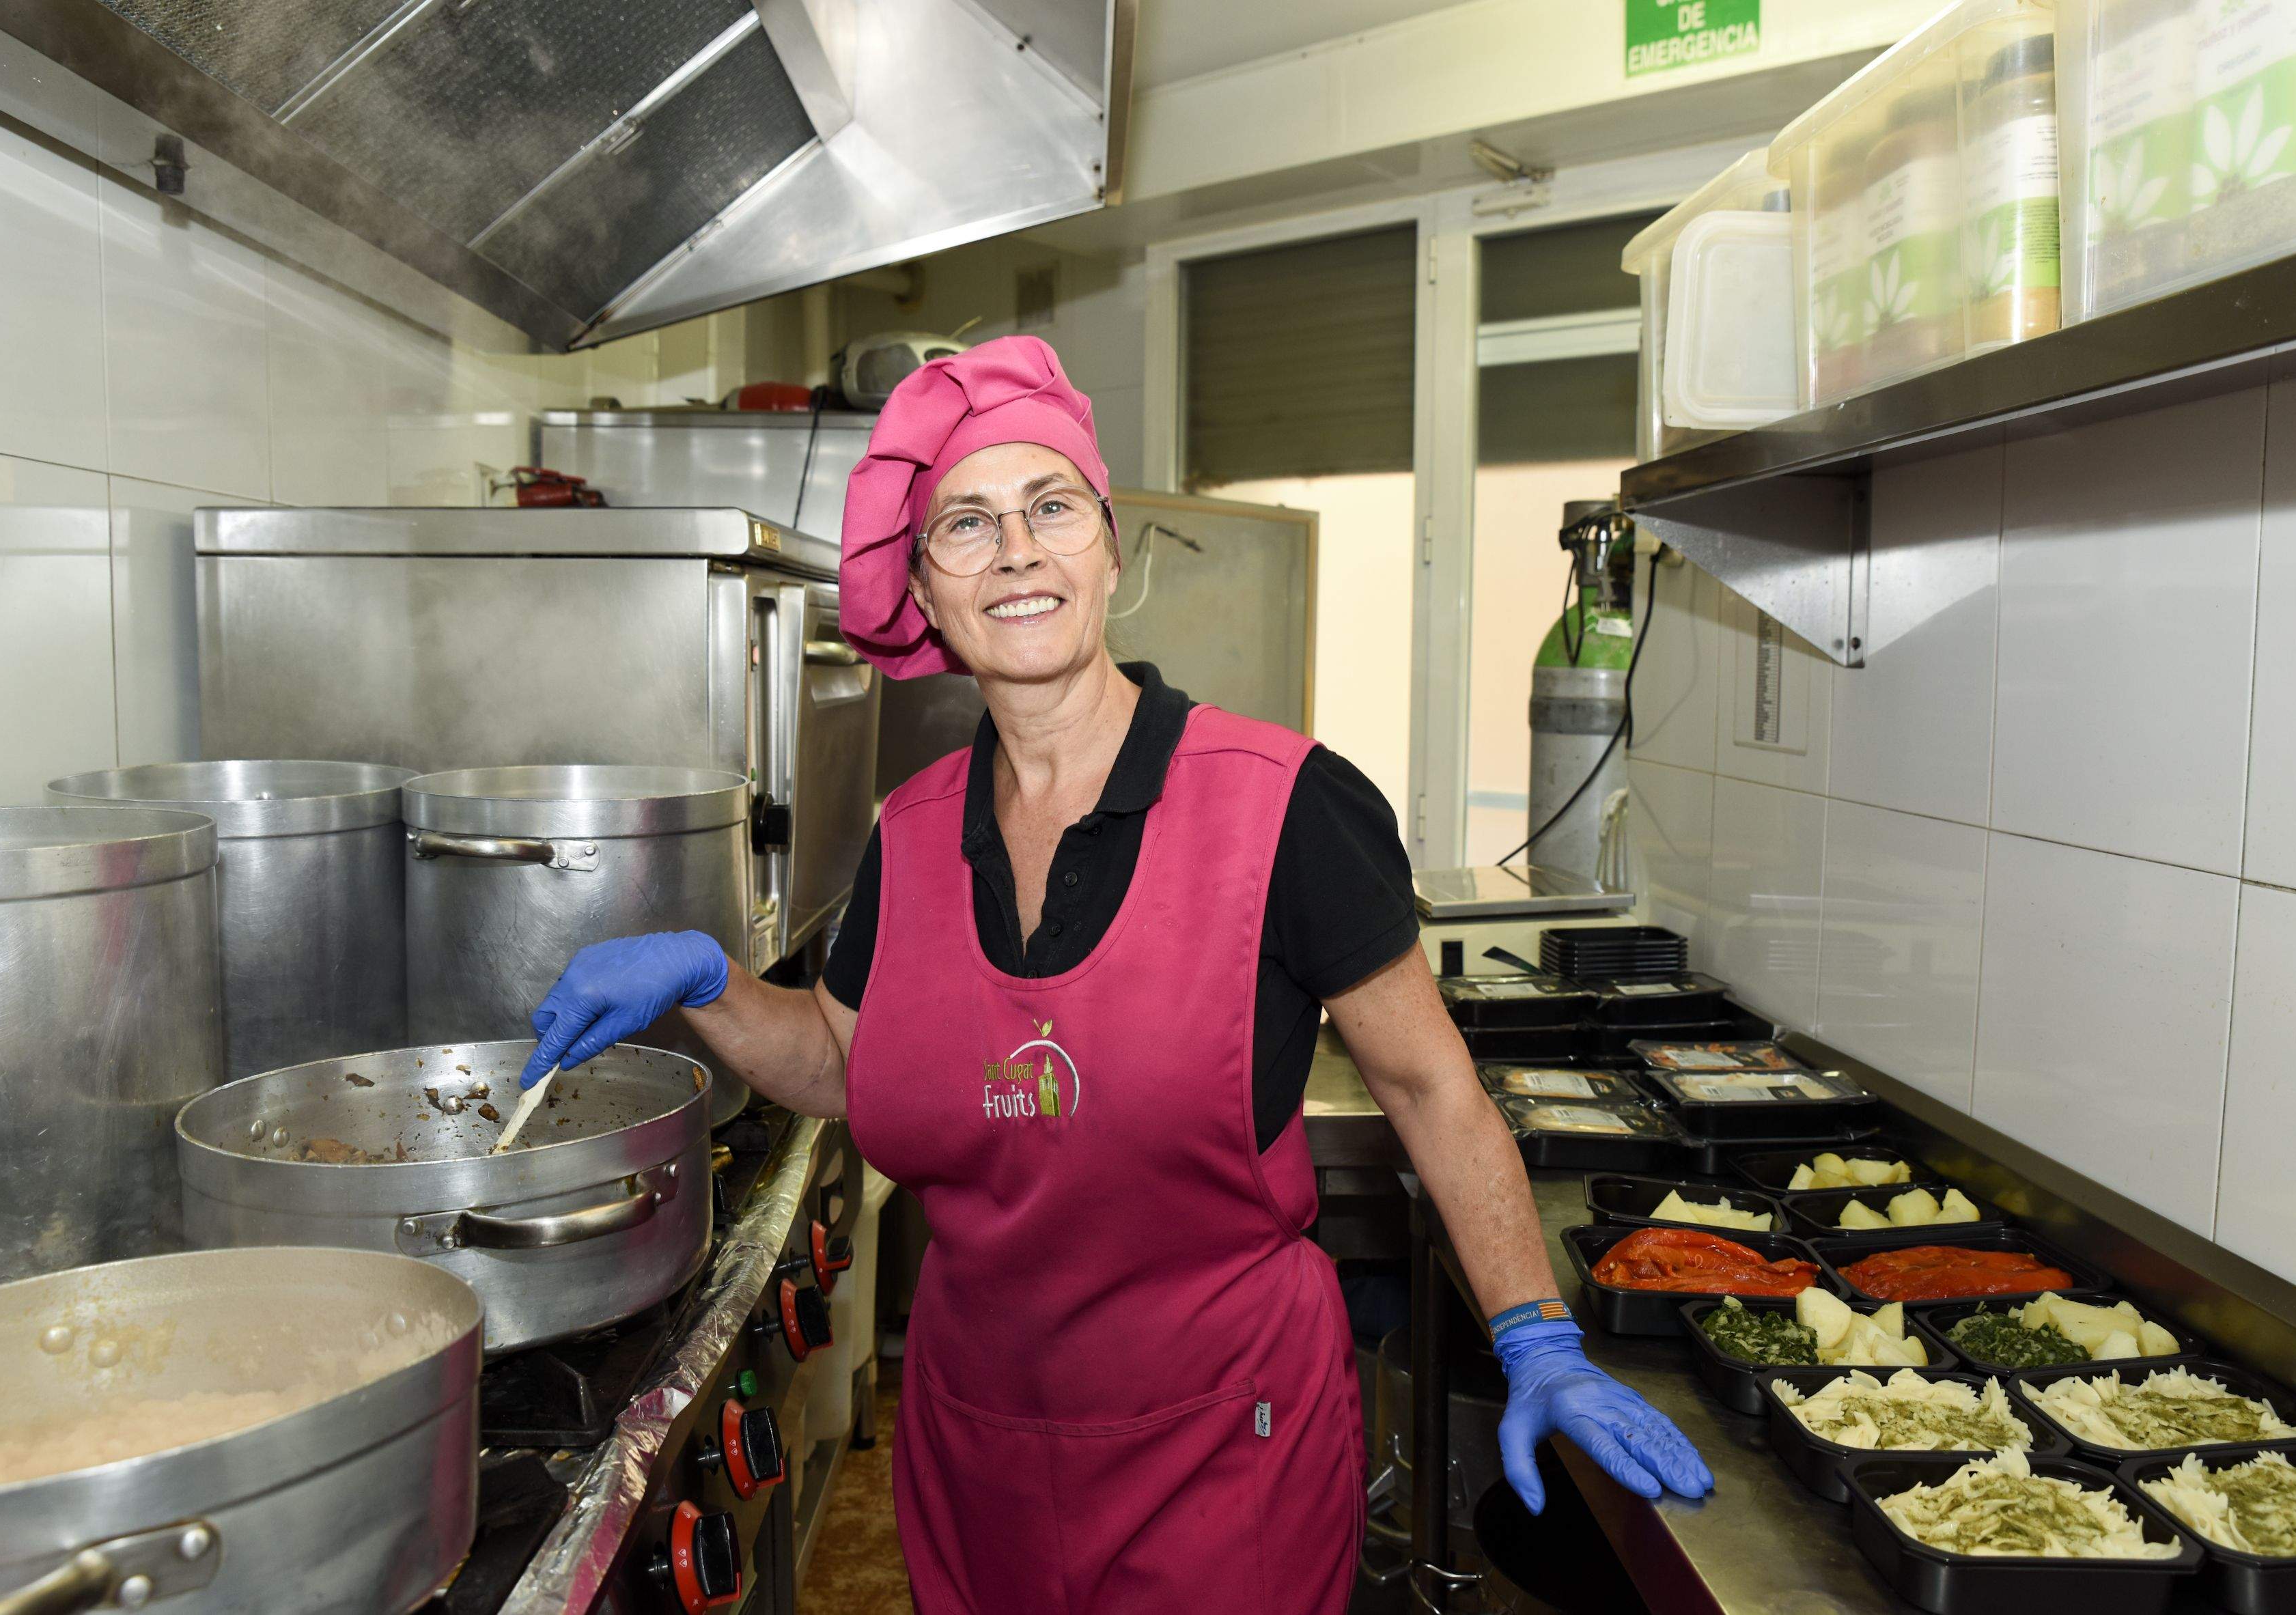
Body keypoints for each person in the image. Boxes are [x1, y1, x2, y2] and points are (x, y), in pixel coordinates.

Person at [514, 336, 1708, 1613]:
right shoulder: (909, 830)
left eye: (1051, 507)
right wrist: (713, 985)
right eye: (966, 524)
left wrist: (1533, 1331)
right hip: (975, 1452)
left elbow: (1432, 1088)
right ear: (925, 584)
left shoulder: (1287, 806)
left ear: (1110, 549)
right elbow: (848, 1063)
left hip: (1221, 1453)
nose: (1016, 549)